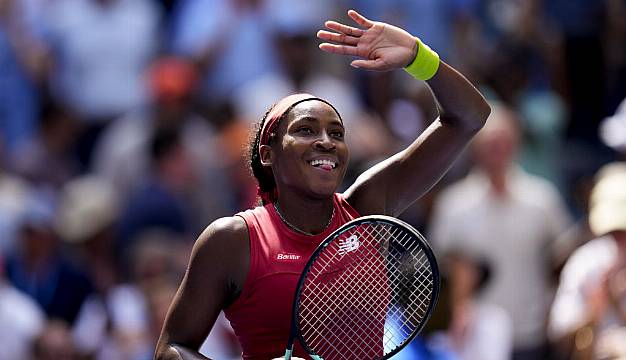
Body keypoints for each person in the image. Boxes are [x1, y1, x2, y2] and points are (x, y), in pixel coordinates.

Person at [155, 9, 491, 360]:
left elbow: (470, 116)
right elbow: (171, 350)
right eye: (305, 130)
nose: (326, 141)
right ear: (268, 154)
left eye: (337, 133)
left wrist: (419, 57)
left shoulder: (368, 208)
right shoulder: (231, 240)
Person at [429, 103, 572, 360]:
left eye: (503, 142)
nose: (496, 150)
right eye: (489, 144)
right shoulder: (453, 204)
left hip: (533, 335)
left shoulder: (542, 199)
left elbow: (563, 259)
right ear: (475, 148)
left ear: (515, 144)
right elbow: (442, 273)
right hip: (476, 340)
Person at [548, 162, 626, 360]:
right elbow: (559, 332)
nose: (619, 240)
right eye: (614, 233)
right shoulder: (586, 262)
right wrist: (592, 312)